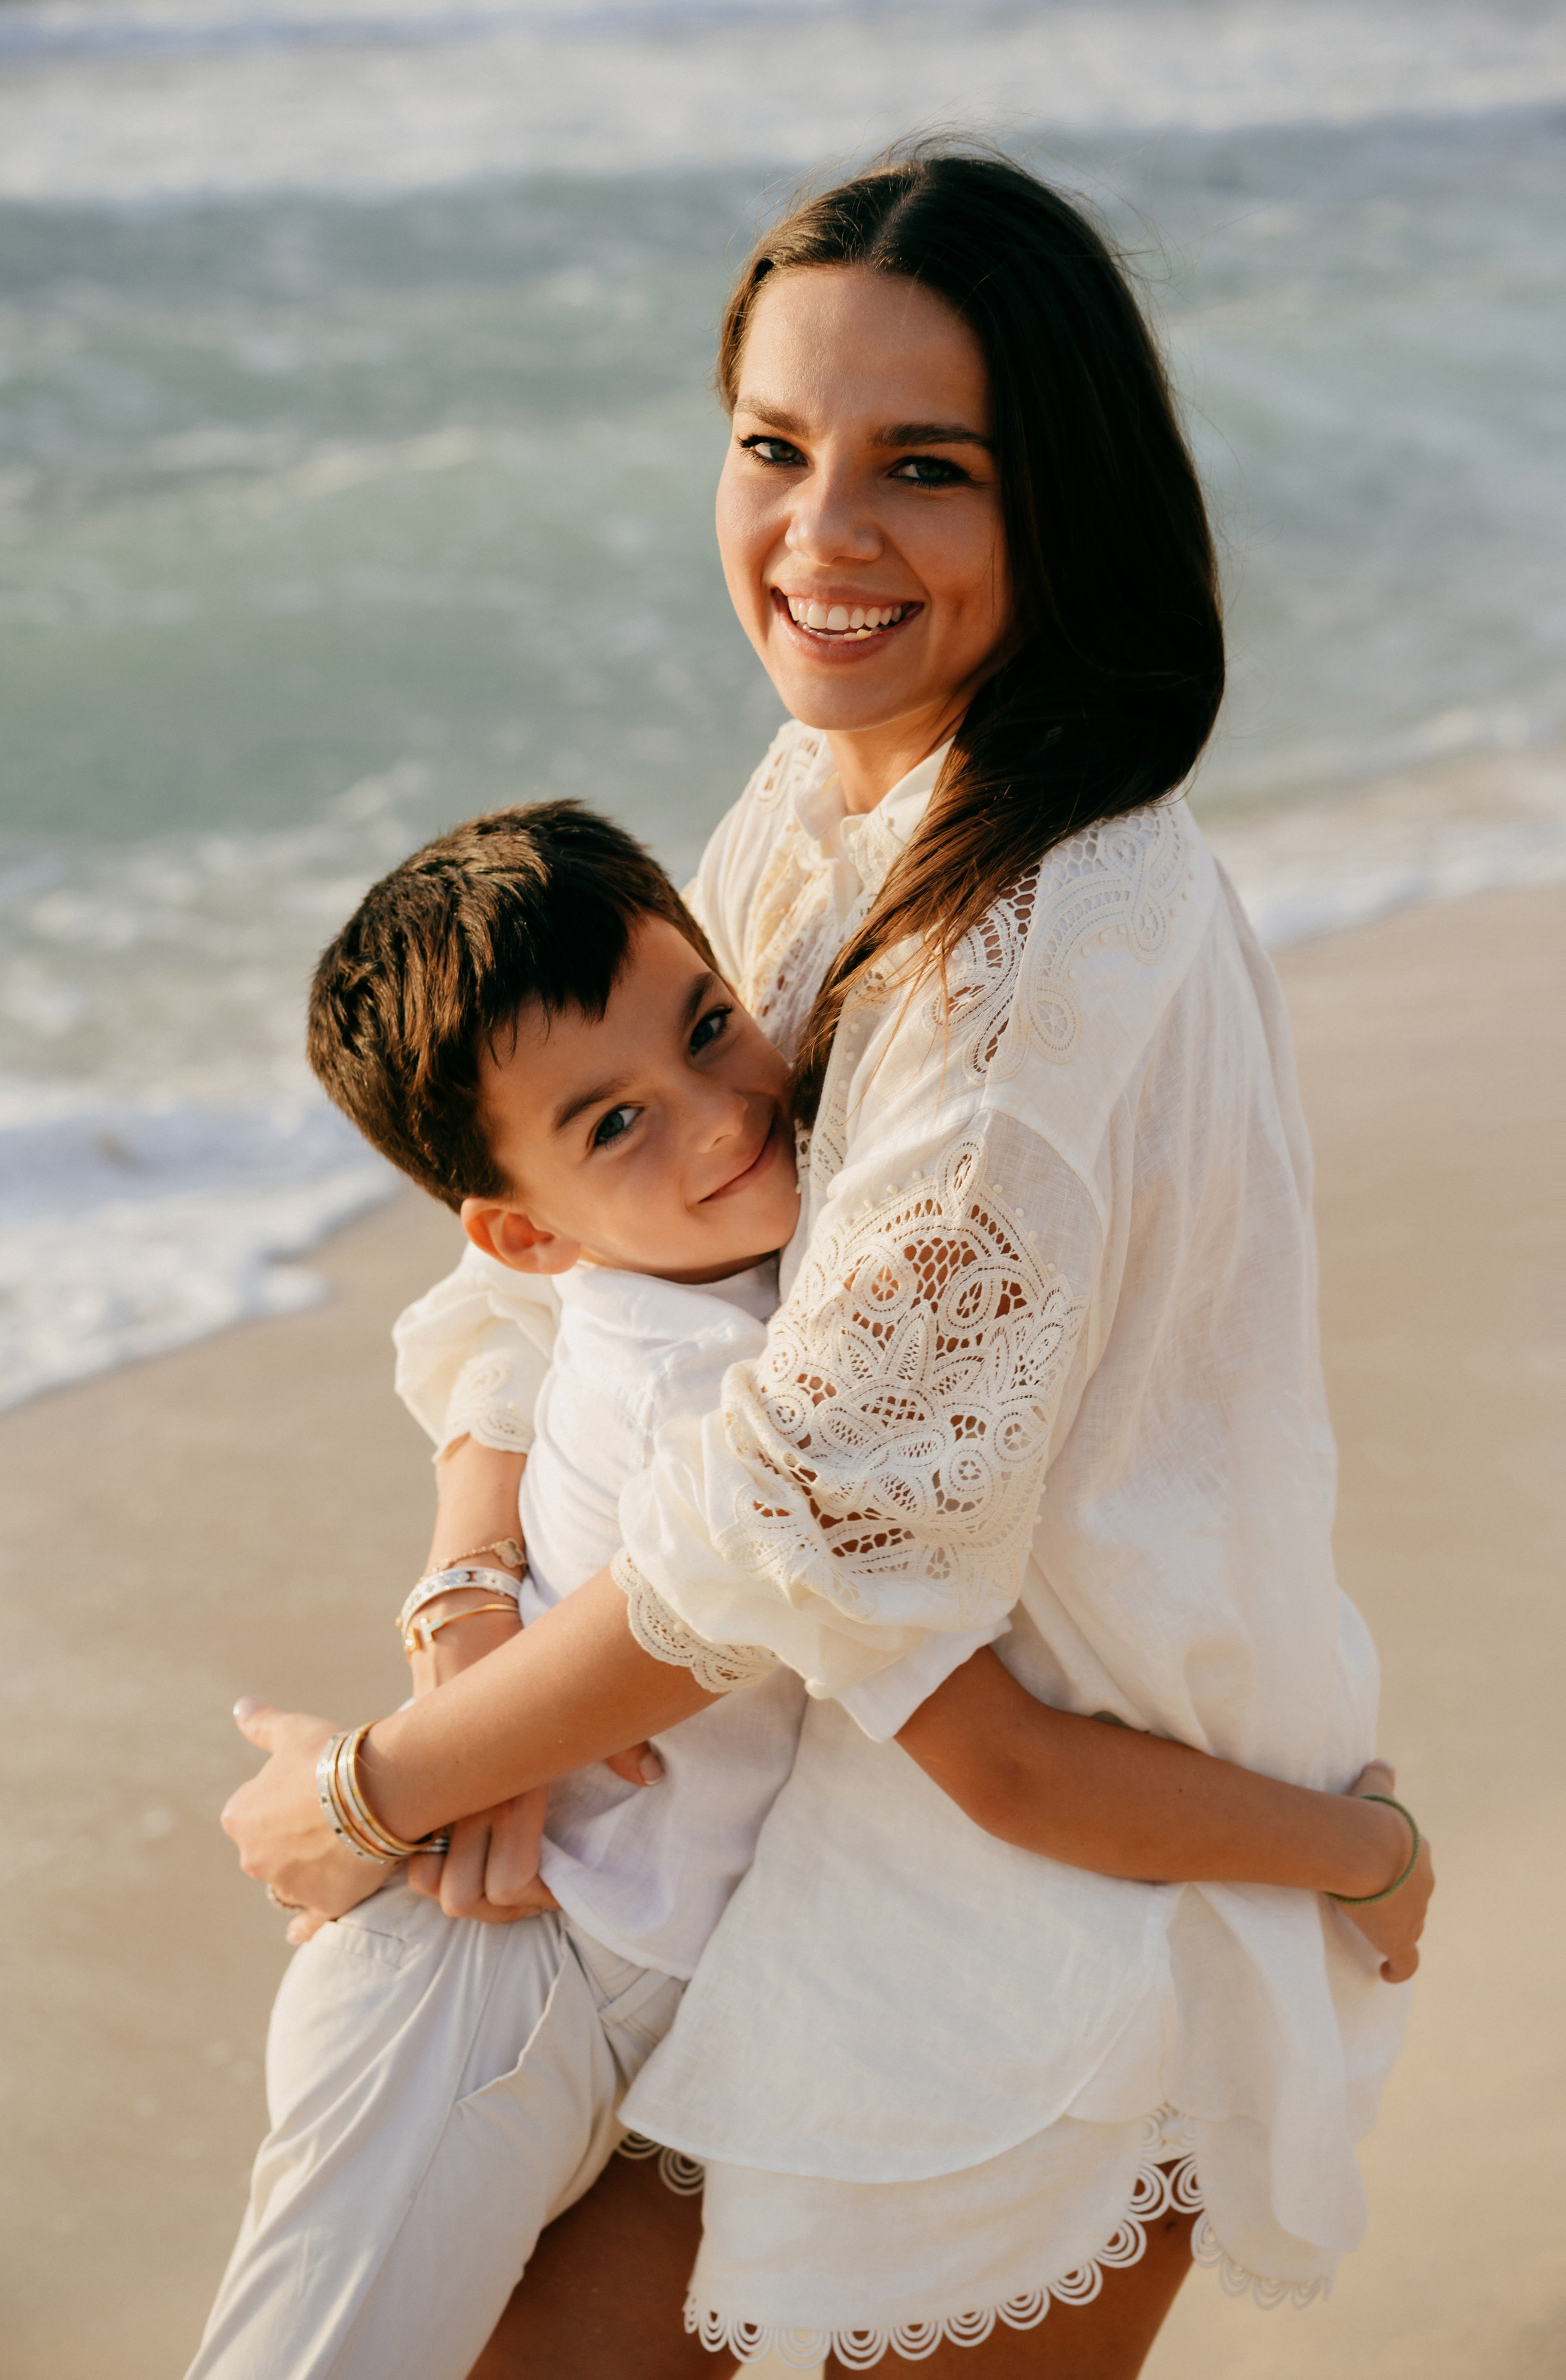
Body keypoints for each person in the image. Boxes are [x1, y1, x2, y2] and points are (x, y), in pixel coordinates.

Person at [222, 149, 1430, 2376]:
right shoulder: (835, 788)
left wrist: (368, 1792)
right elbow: (564, 1256)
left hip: (1017, 1943)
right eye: (776, 447)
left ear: (1056, 504)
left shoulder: (1044, 954)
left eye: (926, 469)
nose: (823, 534)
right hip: (778, 1853)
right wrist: (465, 1598)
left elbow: (779, 1539)